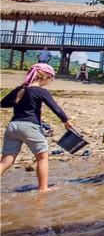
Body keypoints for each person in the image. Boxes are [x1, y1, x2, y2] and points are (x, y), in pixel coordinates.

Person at [1, 63, 74, 191]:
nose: (51, 82)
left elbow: (3, 103)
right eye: (51, 79)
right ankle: (43, 188)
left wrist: (18, 100)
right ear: (45, 77)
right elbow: (55, 108)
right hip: (30, 127)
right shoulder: (41, 91)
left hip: (13, 126)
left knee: (5, 161)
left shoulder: (20, 89)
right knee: (42, 158)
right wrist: (66, 121)